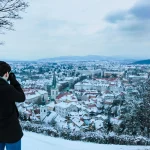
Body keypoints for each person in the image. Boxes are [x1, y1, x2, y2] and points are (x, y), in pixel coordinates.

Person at [0, 61, 25, 150]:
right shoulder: (6, 88)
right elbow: (21, 97)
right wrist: (14, 81)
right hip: (11, 131)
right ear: (6, 74)